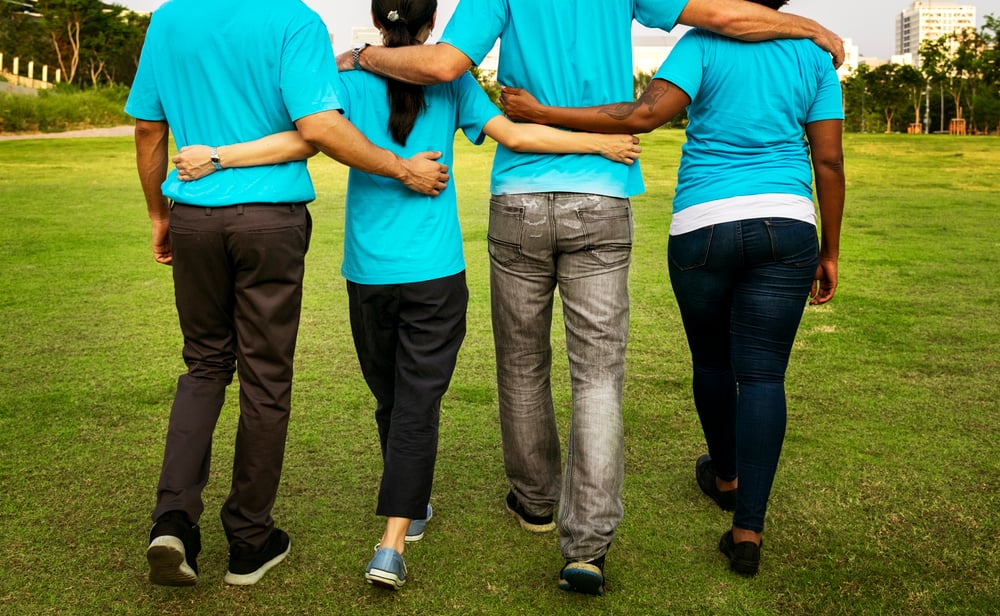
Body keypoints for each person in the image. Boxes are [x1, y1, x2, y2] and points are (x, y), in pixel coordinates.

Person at [337, 0, 844, 595]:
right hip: (602, 199)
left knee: (522, 365)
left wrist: (367, 54)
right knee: (598, 376)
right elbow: (728, 18)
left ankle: (534, 502)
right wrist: (808, 25)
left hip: (519, 198)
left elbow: (447, 64)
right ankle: (587, 546)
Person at [169, 0, 640, 591]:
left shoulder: (346, 78)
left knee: (392, 398)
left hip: (368, 273)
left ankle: (407, 516)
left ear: (377, 20)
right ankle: (399, 525)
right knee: (413, 404)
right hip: (435, 272)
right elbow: (515, 135)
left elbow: (301, 136)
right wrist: (598, 146)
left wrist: (218, 157)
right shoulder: (456, 84)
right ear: (430, 28)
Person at [501, 0, 845, 578]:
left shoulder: (702, 45)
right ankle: (747, 530)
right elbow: (829, 161)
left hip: (702, 224)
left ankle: (726, 476)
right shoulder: (814, 56)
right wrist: (830, 249)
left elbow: (640, 115)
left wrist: (544, 111)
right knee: (763, 376)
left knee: (712, 362)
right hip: (787, 222)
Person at [125, 0, 450, 588]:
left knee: (203, 367)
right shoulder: (294, 20)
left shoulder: (169, 18)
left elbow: (149, 127)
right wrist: (402, 170)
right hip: (269, 221)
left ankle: (172, 520)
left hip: (193, 216)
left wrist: (157, 213)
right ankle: (250, 542)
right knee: (265, 377)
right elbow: (318, 128)